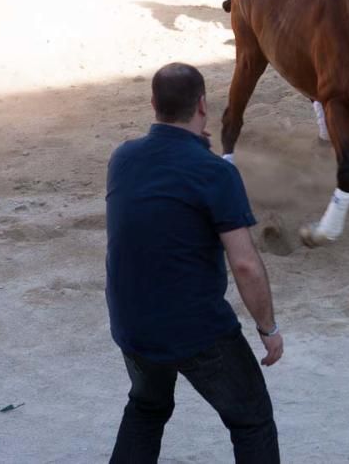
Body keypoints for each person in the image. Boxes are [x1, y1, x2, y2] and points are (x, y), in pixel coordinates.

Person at [106, 62, 283, 463]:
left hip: (132, 324)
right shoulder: (214, 173)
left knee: (147, 408)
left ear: (153, 104)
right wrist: (268, 328)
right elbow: (245, 265)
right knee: (251, 420)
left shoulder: (123, 158)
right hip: (196, 330)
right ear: (203, 105)